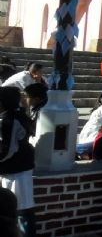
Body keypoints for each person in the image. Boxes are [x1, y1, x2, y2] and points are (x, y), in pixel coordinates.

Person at [0, 87, 36, 237]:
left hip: (16, 172)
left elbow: (8, 149)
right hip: (16, 169)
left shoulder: (10, 120)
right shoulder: (18, 115)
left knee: (21, 210)